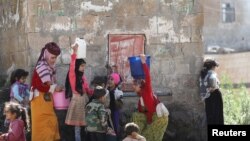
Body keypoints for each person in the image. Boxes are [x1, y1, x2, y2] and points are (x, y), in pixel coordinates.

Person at [30, 42, 63, 141]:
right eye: (52, 57)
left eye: (55, 58)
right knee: (43, 127)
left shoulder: (50, 67)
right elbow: (39, 86)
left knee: (52, 122)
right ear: (46, 55)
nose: (54, 60)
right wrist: (55, 88)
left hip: (46, 100)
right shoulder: (41, 66)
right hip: (39, 100)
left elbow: (49, 84)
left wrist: (56, 87)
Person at [131, 54, 168, 141]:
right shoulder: (140, 100)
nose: (133, 88)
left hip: (159, 118)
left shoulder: (147, 91)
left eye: (134, 86)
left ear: (139, 85)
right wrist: (148, 121)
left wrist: (143, 63)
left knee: (150, 137)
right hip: (153, 118)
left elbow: (148, 77)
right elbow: (144, 112)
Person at [65, 44, 93, 141]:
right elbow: (72, 65)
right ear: (77, 66)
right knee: (77, 127)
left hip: (84, 100)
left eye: (84, 66)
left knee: (84, 126)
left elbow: (87, 90)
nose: (83, 68)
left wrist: (94, 91)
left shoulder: (83, 77)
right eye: (82, 66)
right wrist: (75, 52)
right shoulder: (73, 76)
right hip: (77, 101)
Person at [200, 59, 224, 125]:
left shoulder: (203, 75)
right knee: (217, 116)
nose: (215, 68)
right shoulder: (212, 74)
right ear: (212, 66)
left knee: (210, 116)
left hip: (208, 98)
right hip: (215, 96)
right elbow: (213, 87)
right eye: (215, 66)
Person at [107, 73, 123, 140]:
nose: (109, 81)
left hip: (114, 112)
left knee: (115, 126)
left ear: (116, 81)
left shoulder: (118, 92)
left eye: (112, 79)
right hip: (107, 112)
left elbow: (120, 104)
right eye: (109, 79)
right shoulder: (106, 90)